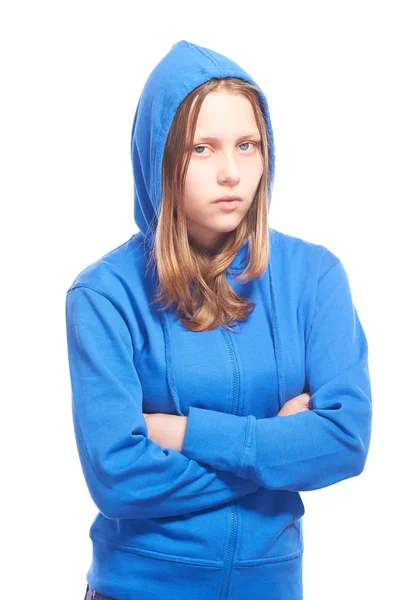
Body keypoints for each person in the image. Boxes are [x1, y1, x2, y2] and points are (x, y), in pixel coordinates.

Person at [65, 40, 373, 600]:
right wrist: (278, 450)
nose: (231, 172)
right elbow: (116, 475)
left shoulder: (315, 276)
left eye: (247, 145)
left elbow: (344, 440)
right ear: (158, 155)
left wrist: (176, 432)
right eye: (201, 148)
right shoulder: (104, 293)